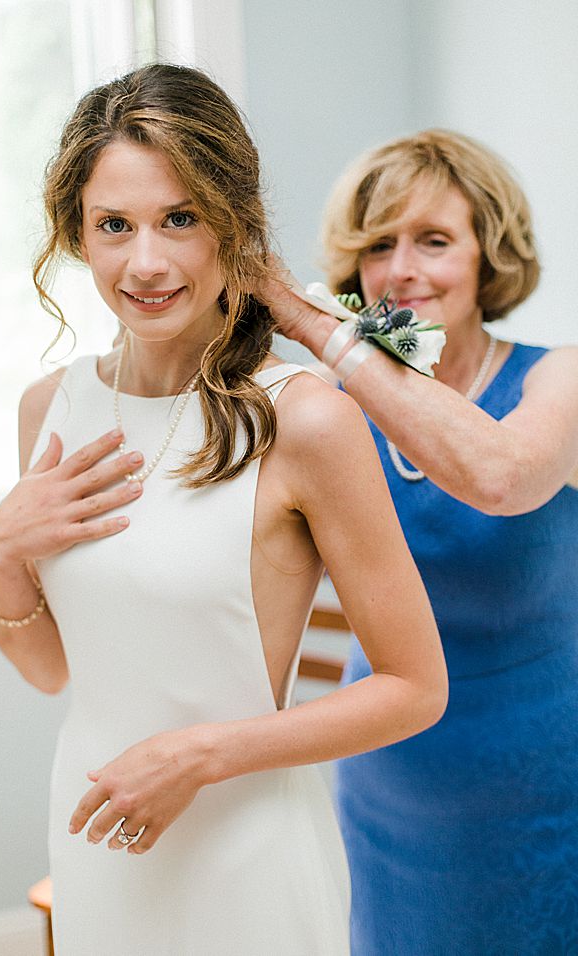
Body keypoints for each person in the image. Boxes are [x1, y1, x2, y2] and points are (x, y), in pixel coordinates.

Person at [0, 64, 449, 955]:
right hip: (96, 837)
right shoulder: (51, 408)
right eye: (114, 225)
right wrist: (0, 558)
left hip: (249, 859)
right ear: (75, 234)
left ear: (232, 225)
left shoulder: (305, 419)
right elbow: (51, 670)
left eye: (180, 219)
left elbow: (416, 689)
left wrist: (196, 755)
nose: (145, 262)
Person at [262, 129, 578, 954]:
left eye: (434, 241)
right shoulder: (330, 408)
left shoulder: (559, 379)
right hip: (389, 785)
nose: (401, 270)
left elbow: (502, 477)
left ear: (488, 257)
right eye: (379, 246)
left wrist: (315, 325)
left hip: (548, 781)